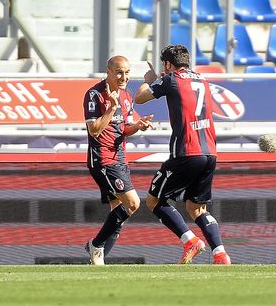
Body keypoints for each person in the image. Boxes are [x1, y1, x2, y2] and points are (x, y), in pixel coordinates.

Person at [134, 44, 231, 265]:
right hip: (210, 153)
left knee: (154, 201)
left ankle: (190, 240)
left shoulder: (170, 79)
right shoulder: (202, 80)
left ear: (168, 64)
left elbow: (139, 98)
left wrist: (150, 79)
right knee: (196, 208)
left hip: (186, 152)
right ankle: (220, 254)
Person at [83, 55, 153, 265]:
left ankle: (98, 258)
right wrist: (111, 108)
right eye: (119, 72)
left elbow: (124, 129)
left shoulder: (126, 96)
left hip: (120, 158)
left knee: (117, 216)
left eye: (127, 72)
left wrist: (138, 126)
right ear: (109, 71)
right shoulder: (94, 95)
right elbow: (94, 130)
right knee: (133, 204)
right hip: (103, 160)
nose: (124, 77)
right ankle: (96, 244)